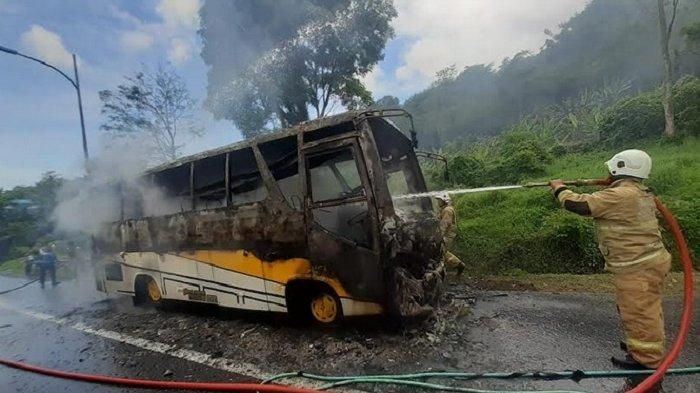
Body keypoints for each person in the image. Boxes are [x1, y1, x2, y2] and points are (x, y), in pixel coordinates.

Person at [549, 149, 671, 371]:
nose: (608, 174)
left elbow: (580, 205)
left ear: (619, 168)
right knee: (642, 308)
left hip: (638, 266)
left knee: (640, 310)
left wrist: (560, 188)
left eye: (610, 170)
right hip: (646, 262)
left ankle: (647, 360)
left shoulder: (621, 195)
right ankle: (641, 346)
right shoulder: (636, 192)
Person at [437, 194, 466, 276]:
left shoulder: (447, 210)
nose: (438, 202)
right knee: (442, 252)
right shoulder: (445, 209)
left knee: (441, 252)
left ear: (444, 200)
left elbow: (445, 224)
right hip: (447, 234)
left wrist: (440, 236)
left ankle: (458, 265)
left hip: (447, 235)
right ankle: (457, 265)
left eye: (439, 200)